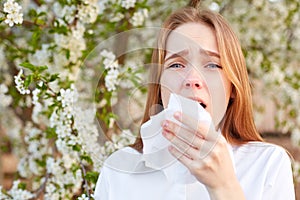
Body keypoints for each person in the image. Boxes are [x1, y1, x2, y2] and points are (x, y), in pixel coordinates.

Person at [94, 1, 295, 200]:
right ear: (159, 84)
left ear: (233, 87)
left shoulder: (268, 165)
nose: (192, 80)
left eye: (212, 65)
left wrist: (224, 187)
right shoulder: (119, 171)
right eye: (176, 65)